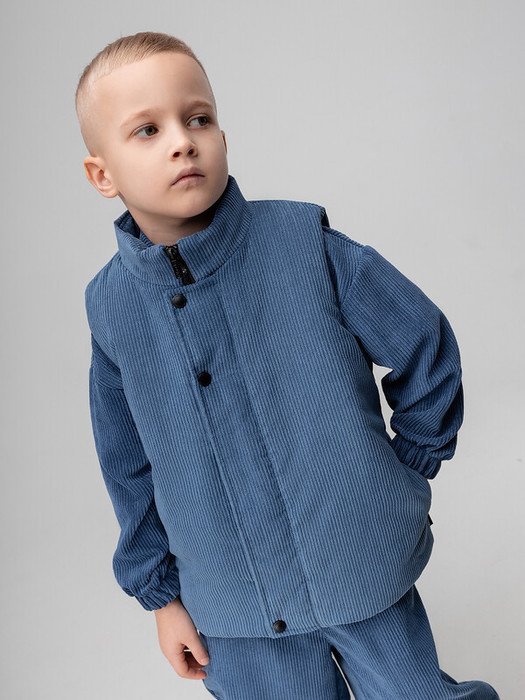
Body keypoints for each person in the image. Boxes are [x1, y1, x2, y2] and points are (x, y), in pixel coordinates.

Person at [76, 31, 500, 699]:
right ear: (102, 175)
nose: (182, 142)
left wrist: (406, 464)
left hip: (358, 561)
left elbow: (421, 339)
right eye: (147, 130)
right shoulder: (112, 308)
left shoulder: (304, 245)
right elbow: (124, 463)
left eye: (198, 118)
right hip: (231, 600)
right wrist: (162, 598)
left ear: (222, 134)